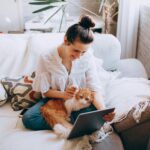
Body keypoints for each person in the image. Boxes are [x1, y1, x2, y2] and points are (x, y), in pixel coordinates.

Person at [22, 15, 114, 130]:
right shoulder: (46, 57)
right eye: (75, 50)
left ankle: (66, 120)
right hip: (54, 100)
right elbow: (45, 92)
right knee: (29, 119)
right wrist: (64, 95)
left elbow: (94, 89)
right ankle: (73, 121)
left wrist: (103, 112)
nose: (79, 56)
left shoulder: (88, 57)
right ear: (66, 40)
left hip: (79, 101)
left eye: (83, 52)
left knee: (98, 108)